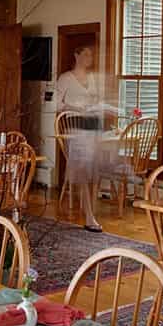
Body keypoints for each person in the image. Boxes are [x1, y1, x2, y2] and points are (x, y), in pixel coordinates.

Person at [55, 45, 104, 232]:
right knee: (84, 170)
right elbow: (57, 105)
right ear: (76, 55)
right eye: (85, 54)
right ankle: (90, 217)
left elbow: (97, 101)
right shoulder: (65, 78)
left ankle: (90, 211)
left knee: (96, 170)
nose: (89, 57)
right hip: (75, 126)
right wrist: (76, 108)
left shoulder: (92, 78)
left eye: (91, 54)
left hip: (92, 125)